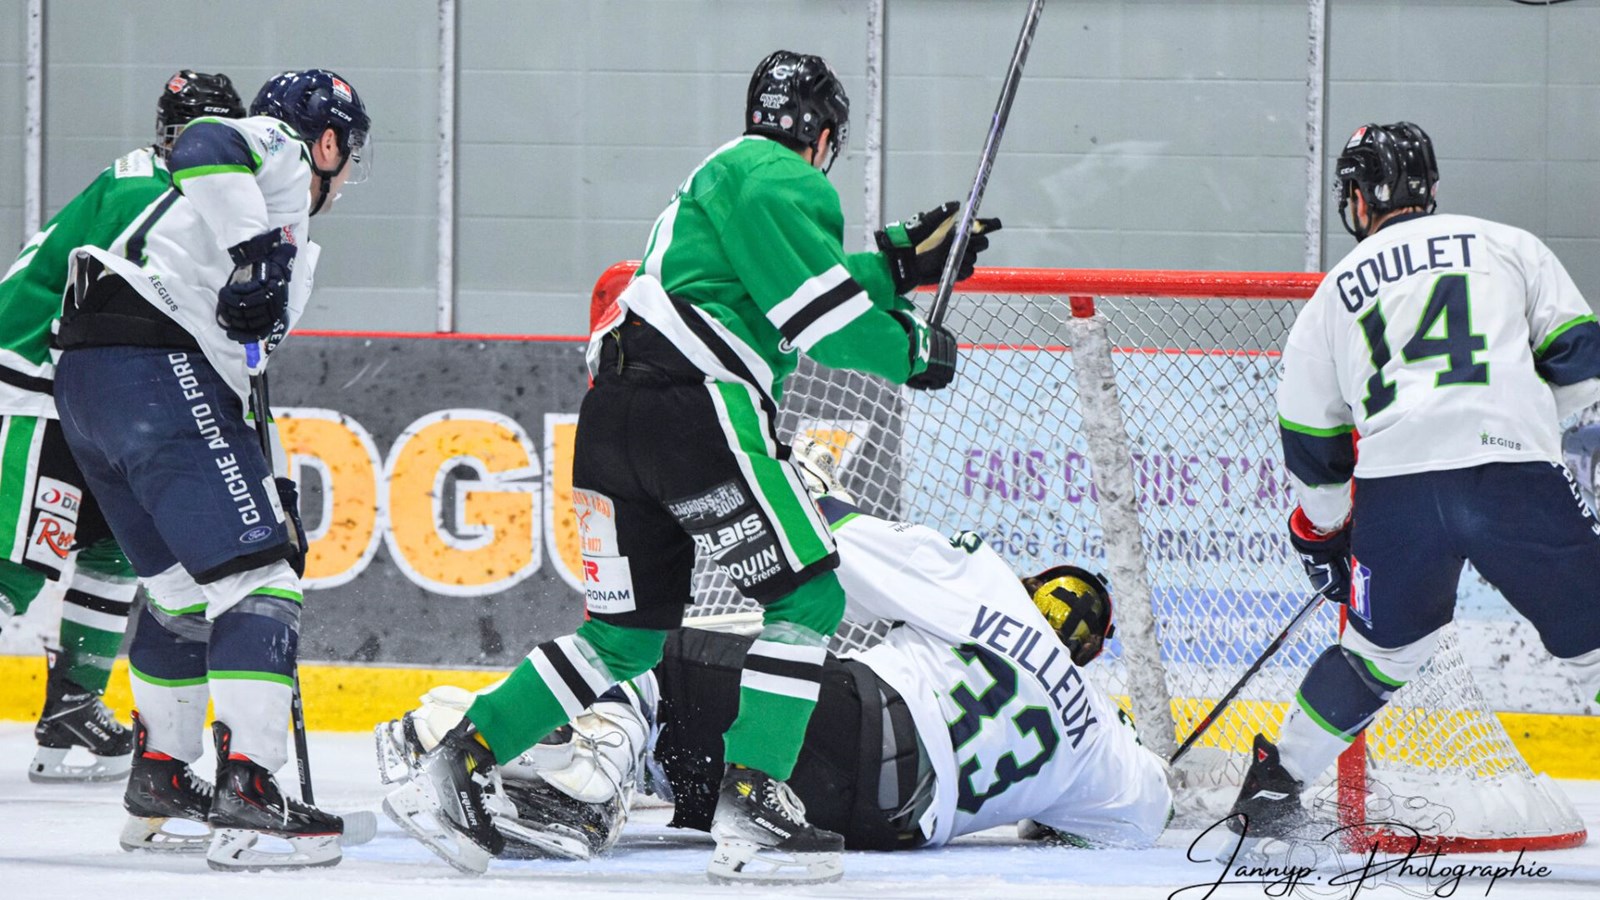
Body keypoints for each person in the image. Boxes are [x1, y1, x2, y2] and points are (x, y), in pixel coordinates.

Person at [383, 49, 1000, 884]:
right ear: (821, 134)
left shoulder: (718, 177)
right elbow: (818, 319)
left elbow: (764, 293)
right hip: (695, 410)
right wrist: (918, 350)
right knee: (807, 592)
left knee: (626, 637)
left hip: (613, 415)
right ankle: (755, 806)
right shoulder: (789, 178)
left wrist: (896, 265)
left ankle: (465, 757)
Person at [379, 438, 1171, 861]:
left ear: (1036, 596)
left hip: (854, 725)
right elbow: (1142, 815)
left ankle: (576, 788)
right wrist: (1053, 814)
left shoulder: (990, 586)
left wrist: (795, 477)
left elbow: (835, 541)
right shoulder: (1100, 734)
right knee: (691, 746)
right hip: (878, 822)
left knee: (643, 656)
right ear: (1091, 656)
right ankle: (575, 762)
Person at [1226, 122, 1600, 838]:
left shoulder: (1336, 291)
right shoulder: (1506, 243)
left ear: (1361, 197)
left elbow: (1313, 441)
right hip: (1511, 475)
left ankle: (1272, 789)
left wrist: (1326, 530)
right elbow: (1580, 359)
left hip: (1400, 493)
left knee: (1379, 653)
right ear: (1429, 186)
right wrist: (1523, 421)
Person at [52, 69, 370, 870]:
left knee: (181, 592)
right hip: (151, 366)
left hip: (94, 381)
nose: (347, 170)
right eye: (349, 151)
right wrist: (257, 248)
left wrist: (267, 480)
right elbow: (206, 138)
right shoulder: (283, 155)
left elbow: (238, 363)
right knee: (260, 580)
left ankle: (161, 775)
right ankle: (253, 794)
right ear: (326, 139)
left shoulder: (256, 214)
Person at [0, 70, 245, 784]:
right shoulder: (148, 191)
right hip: (34, 383)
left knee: (119, 546)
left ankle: (73, 703)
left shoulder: (164, 185)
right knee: (17, 564)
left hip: (83, 392)